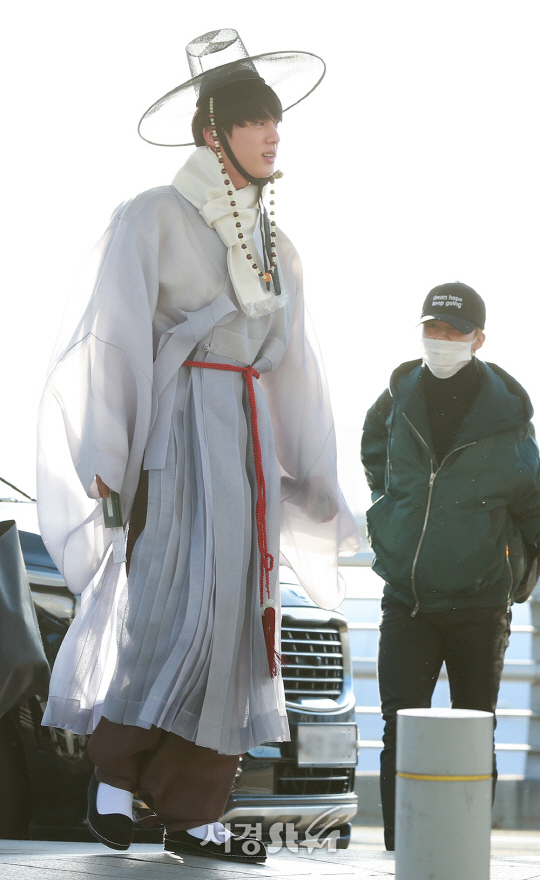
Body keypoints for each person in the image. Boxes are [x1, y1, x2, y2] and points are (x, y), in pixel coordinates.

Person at [37, 29, 358, 862]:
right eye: (254, 122)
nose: (272, 136)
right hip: (175, 433)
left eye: (276, 123)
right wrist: (108, 458)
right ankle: (114, 784)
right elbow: (112, 342)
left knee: (242, 632)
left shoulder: (280, 249)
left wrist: (314, 472)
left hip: (245, 438)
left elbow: (296, 369)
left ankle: (199, 812)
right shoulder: (150, 216)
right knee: (168, 613)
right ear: (211, 133)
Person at [360, 282, 540, 851]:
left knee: (474, 724)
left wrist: (517, 577)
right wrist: (398, 512)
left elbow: (533, 504)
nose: (439, 342)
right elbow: (373, 455)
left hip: (479, 602)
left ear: (477, 339)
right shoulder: (397, 397)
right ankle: (399, 848)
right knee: (399, 727)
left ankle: (465, 845)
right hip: (407, 597)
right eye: (431, 331)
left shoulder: (507, 418)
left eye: (452, 333)